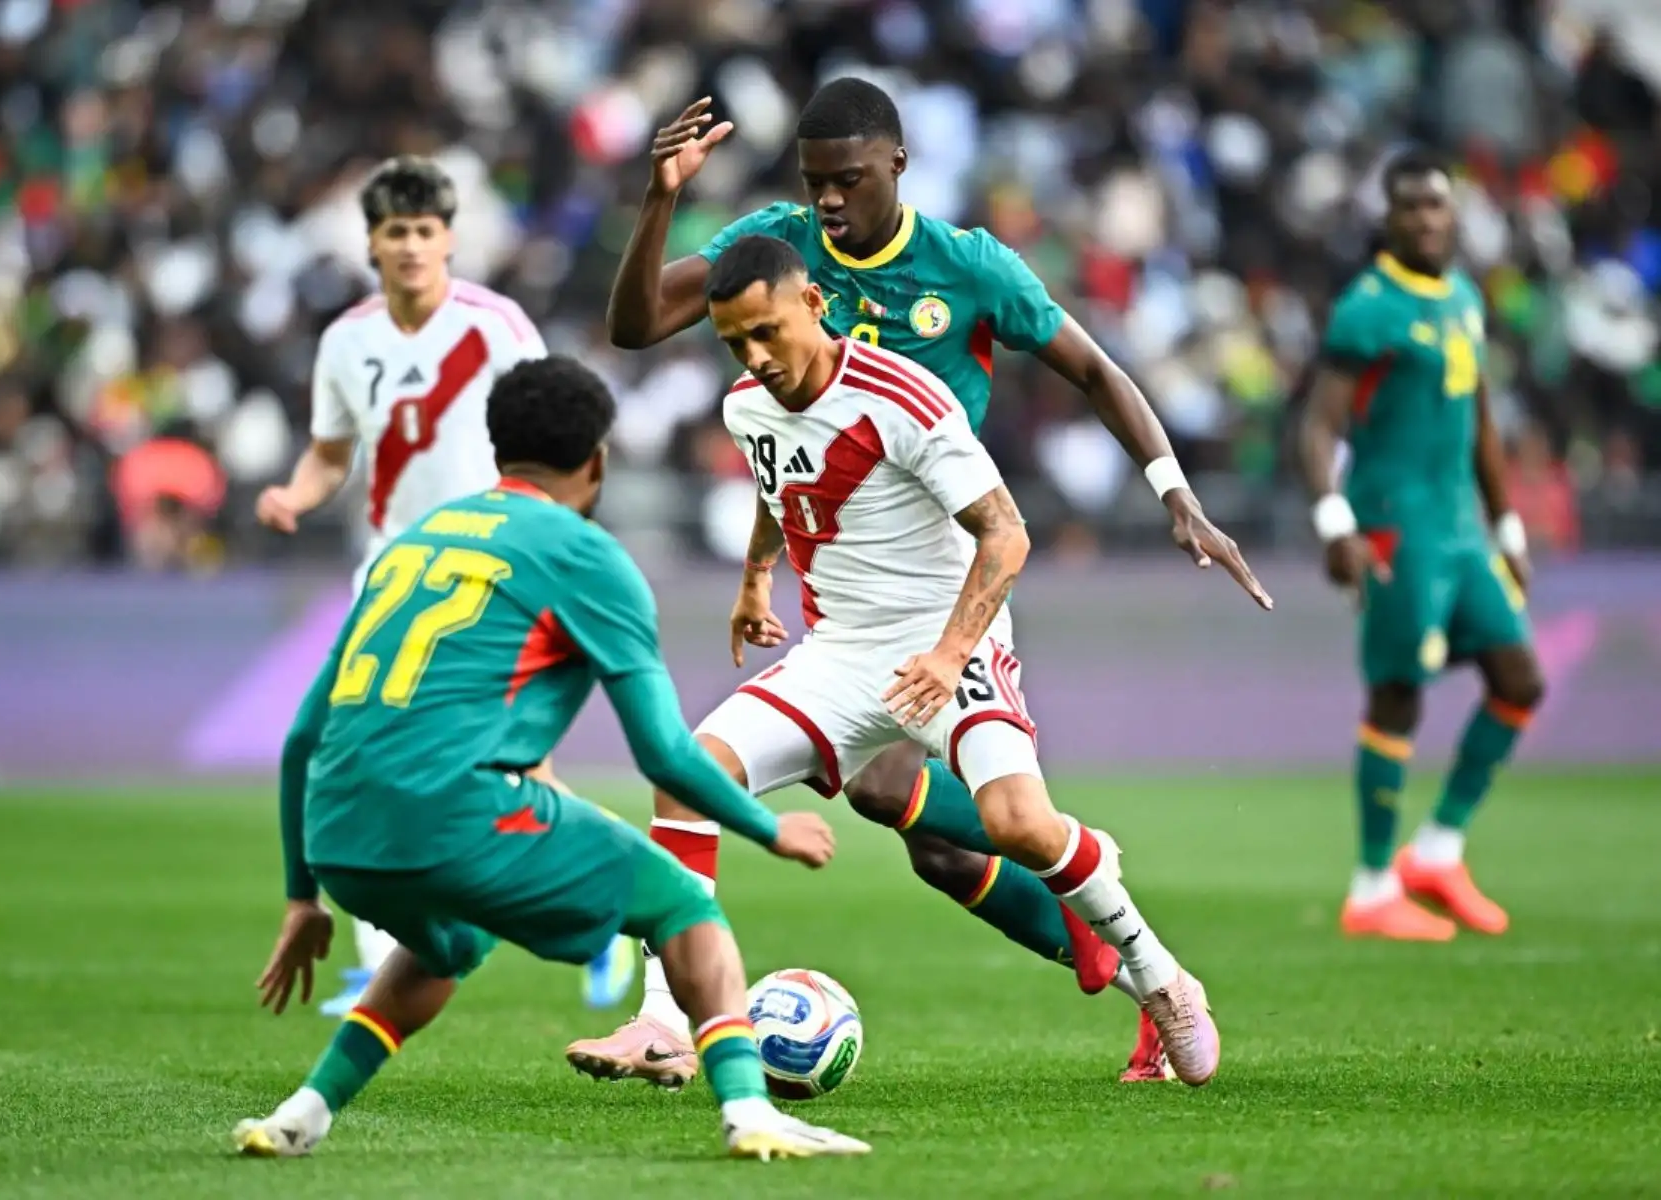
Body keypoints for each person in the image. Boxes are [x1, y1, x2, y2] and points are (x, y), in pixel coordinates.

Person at [583, 77, 1267, 1083]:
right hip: (845, 611)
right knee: (882, 821)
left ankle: (1122, 932)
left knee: (966, 820)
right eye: (814, 182)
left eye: (848, 180)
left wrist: (1174, 491)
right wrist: (661, 196)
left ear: (897, 166)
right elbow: (666, 348)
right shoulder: (772, 271)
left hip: (951, 590)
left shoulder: (966, 272)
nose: (828, 200)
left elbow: (1092, 373)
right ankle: (665, 1020)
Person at [234, 356, 869, 1161]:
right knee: (685, 907)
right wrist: (769, 829)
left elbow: (302, 735)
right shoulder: (586, 557)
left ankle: (304, 1112)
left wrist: (303, 898)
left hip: (337, 836)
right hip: (455, 813)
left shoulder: (414, 544)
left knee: (451, 943)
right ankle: (751, 1114)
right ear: (597, 462)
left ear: (496, 449)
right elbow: (664, 754)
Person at [254, 155, 633, 1013]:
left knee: (516, 767)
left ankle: (615, 908)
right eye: (396, 231)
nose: (412, 246)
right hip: (393, 574)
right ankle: (378, 962)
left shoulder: (496, 328)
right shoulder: (347, 341)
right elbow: (329, 454)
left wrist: (559, 550)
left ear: (450, 239)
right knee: (361, 756)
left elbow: (556, 432)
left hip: (488, 572)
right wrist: (296, 496)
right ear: (371, 244)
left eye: (426, 230)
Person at [1299, 148, 1544, 941]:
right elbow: (1319, 426)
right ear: (1390, 219)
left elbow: (1482, 421)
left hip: (1463, 531)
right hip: (1395, 527)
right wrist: (1334, 522)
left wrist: (1507, 525)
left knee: (1520, 680)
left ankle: (1437, 851)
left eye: (1437, 205)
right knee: (1398, 693)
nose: (1426, 219)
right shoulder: (1367, 309)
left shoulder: (1464, 296)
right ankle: (1372, 887)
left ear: (1453, 213)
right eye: (1410, 207)